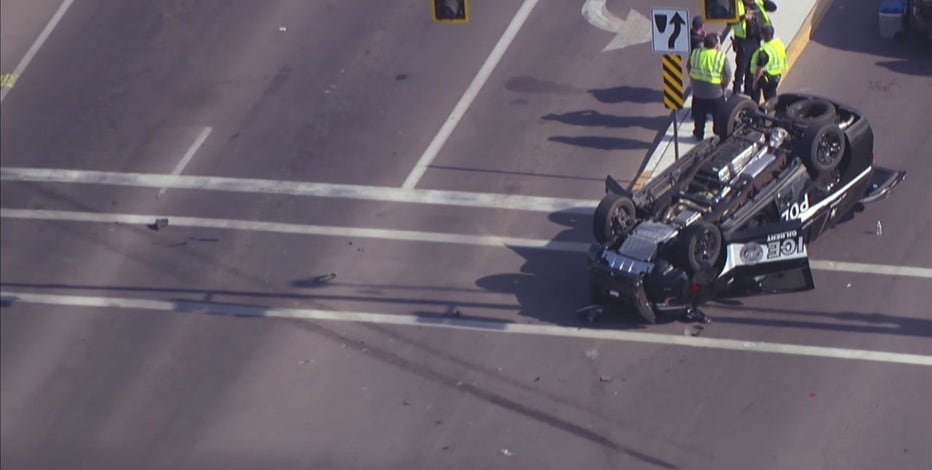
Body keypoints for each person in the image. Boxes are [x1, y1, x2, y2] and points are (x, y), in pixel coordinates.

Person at [687, 32, 732, 140]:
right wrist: (724, 87)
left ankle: (699, 134)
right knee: (718, 115)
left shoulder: (696, 53)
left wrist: (694, 80)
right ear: (716, 45)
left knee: (699, 115)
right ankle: (717, 133)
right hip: (716, 92)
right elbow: (728, 74)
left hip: (698, 91)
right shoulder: (720, 56)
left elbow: (688, 67)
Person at [730, 0, 772, 96]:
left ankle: (748, 92)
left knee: (751, 69)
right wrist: (744, 17)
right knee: (741, 68)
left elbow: (771, 8)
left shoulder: (758, 3)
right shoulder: (737, 5)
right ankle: (736, 91)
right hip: (744, 42)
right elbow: (729, 21)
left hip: (756, 40)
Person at [750, 25, 787, 103]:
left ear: (764, 35)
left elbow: (760, 69)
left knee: (756, 89)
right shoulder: (778, 43)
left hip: (768, 78)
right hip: (777, 75)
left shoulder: (765, 51)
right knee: (772, 95)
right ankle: (774, 107)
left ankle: (754, 108)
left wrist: (755, 81)